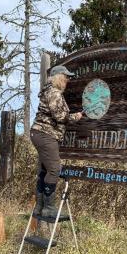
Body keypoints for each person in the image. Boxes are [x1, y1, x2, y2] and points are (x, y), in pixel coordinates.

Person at [30, 65, 83, 218]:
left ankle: (39, 207)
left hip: (40, 134)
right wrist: (75, 117)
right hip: (46, 134)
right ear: (58, 77)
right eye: (66, 77)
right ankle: (49, 208)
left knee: (45, 171)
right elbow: (60, 117)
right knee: (54, 169)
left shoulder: (49, 91)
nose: (68, 80)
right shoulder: (54, 92)